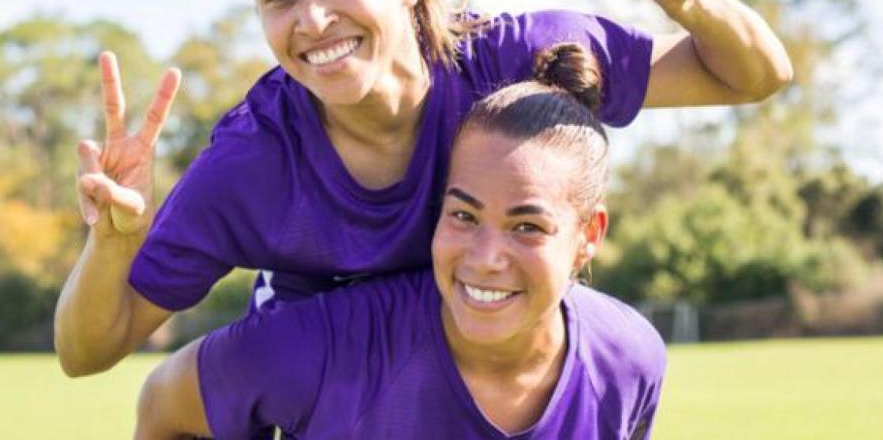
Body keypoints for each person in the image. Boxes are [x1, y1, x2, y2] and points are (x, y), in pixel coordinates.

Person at [55, 0, 791, 377]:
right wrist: (112, 245)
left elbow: (756, 75)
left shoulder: (510, 59)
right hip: (339, 398)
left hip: (490, 377)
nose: (313, 18)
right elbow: (87, 350)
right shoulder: (255, 160)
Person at [134, 43, 666, 439]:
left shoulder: (628, 360)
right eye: (463, 215)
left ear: (588, 235)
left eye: (528, 226)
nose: (484, 258)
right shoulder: (326, 350)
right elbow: (165, 401)